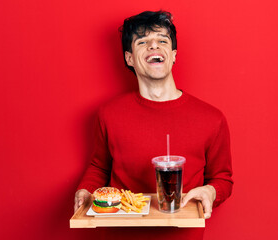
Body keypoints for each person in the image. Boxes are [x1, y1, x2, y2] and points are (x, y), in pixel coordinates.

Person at [74, 10, 233, 239]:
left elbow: (222, 179)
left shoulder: (212, 118)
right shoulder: (108, 114)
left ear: (173, 54)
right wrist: (86, 191)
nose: (153, 46)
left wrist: (211, 191)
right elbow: (99, 167)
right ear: (129, 58)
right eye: (143, 41)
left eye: (162, 40)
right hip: (121, 233)